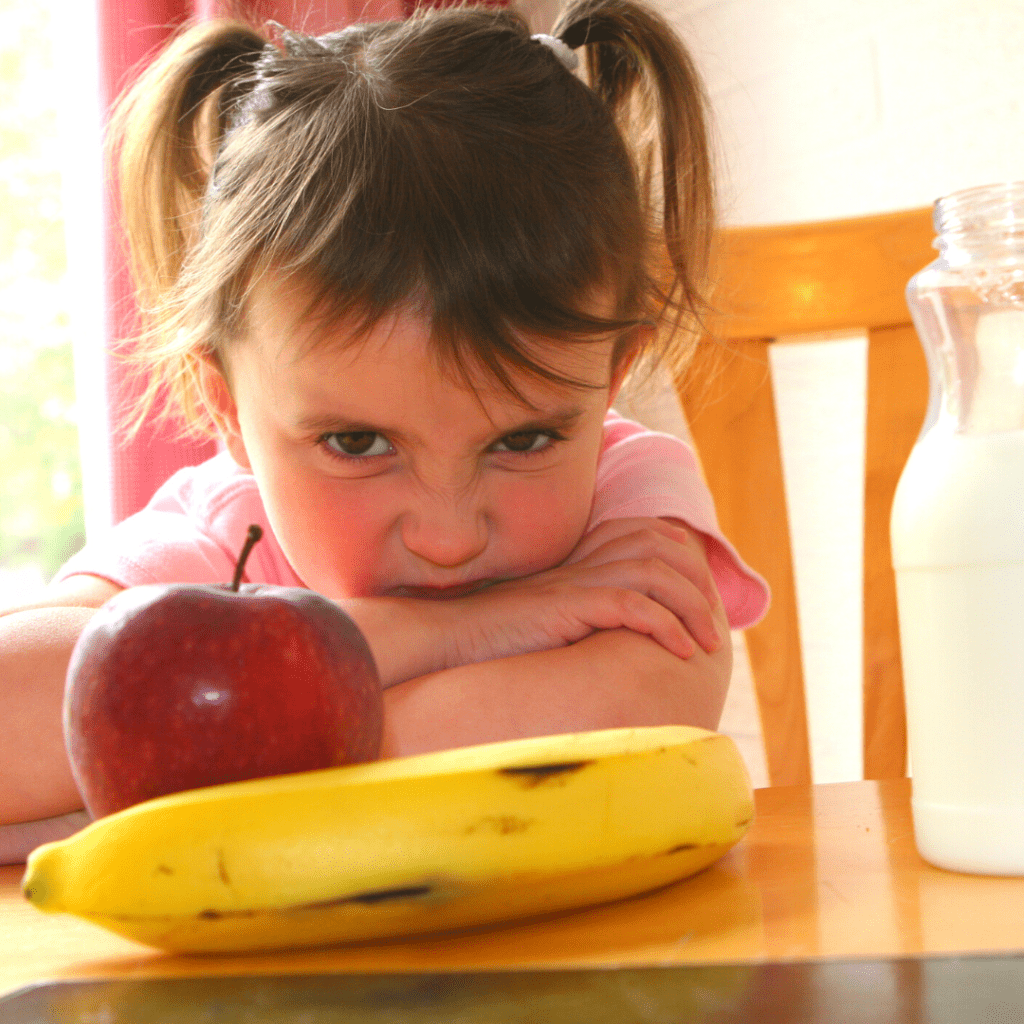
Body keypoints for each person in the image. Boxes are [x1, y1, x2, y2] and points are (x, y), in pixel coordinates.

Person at [0, 0, 769, 843]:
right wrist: (457, 629)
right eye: (358, 444)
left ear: (614, 376)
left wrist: (175, 765)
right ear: (224, 407)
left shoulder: (629, 496)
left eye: (522, 440)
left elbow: (631, 718)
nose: (447, 535)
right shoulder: (224, 529)